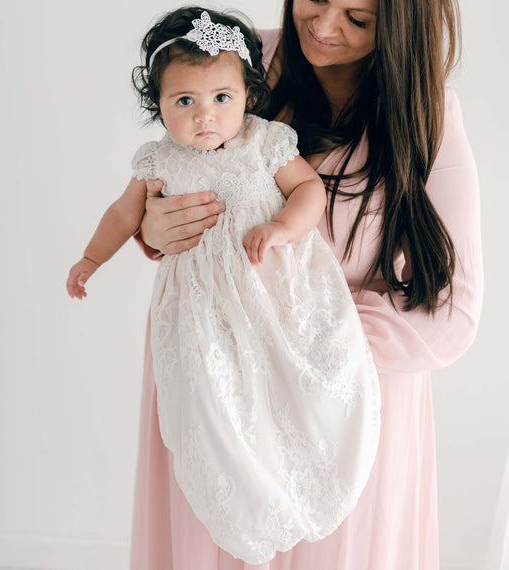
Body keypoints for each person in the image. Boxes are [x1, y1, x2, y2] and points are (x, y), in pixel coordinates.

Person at [131, 0, 483, 569]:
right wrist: (153, 225)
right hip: (212, 392)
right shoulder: (232, 60)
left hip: (339, 413)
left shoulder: (427, 115)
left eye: (358, 19)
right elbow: (166, 175)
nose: (323, 28)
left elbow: (455, 310)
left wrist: (308, 349)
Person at [66, 6, 381, 565]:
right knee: (208, 398)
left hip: (273, 293)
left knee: (295, 381)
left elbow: (310, 192)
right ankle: (242, 500)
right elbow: (122, 214)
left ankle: (299, 481)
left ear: (247, 96)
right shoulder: (159, 159)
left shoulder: (265, 143)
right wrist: (92, 259)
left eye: (221, 99)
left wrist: (282, 226)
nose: (204, 115)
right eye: (184, 101)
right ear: (157, 105)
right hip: (202, 311)